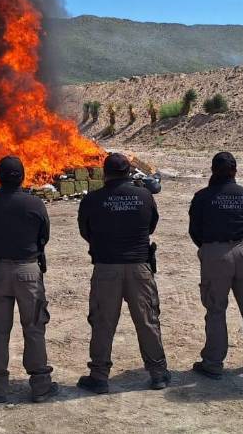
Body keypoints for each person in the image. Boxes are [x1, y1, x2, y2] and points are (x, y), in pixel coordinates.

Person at [76, 153, 171, 393]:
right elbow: (151, 226)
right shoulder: (144, 196)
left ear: (105, 173)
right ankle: (158, 374)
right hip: (140, 267)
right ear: (129, 172)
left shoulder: (92, 200)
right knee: (148, 321)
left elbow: (85, 231)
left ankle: (99, 377)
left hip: (106, 268)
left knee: (102, 322)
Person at [0, 156, 59, 403]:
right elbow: (45, 236)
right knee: (34, 327)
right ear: (23, 177)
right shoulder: (35, 204)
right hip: (28, 271)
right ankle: (41, 386)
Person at [188, 152, 243, 379]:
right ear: (235, 171)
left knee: (216, 309)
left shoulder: (202, 197)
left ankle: (213, 363)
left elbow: (194, 230)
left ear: (213, 170)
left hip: (216, 255)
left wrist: (209, 248)